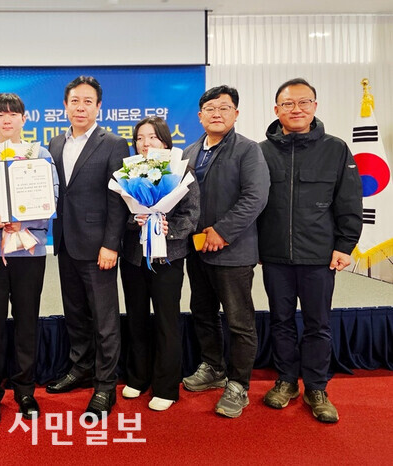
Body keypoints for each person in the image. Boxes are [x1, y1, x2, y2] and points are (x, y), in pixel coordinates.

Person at [258, 78, 363, 423]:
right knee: (281, 321)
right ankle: (286, 380)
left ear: (315, 107)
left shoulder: (336, 149)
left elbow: (349, 201)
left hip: (319, 256)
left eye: (304, 102)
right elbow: (253, 204)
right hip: (275, 256)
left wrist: (345, 245)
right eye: (288, 104)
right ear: (277, 110)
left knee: (318, 324)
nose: (296, 109)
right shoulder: (261, 152)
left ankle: (317, 388)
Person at [182, 85, 270, 418]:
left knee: (239, 321)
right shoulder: (189, 152)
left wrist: (223, 231)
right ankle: (213, 368)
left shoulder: (248, 150)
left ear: (236, 113)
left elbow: (255, 197)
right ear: (200, 115)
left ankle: (238, 385)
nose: (216, 114)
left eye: (224, 108)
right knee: (202, 312)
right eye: (210, 108)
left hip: (233, 251)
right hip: (197, 249)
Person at [0, 93, 59, 427]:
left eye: (13, 114)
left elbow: (52, 197)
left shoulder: (40, 155)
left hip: (28, 249)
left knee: (27, 321)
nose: (6, 119)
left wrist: (24, 220)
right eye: (0, 114)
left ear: (24, 119)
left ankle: (25, 390)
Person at [45, 76, 129, 419]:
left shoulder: (114, 144)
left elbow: (118, 200)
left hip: (99, 249)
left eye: (88, 102)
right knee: (75, 314)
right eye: (75, 101)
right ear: (65, 106)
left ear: (99, 107)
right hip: (66, 243)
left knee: (104, 320)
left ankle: (106, 385)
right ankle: (80, 368)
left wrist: (111, 244)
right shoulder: (54, 143)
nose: (81, 107)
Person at [119, 117, 199, 411]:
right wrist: (135, 219)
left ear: (165, 141)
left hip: (168, 257)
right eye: (140, 138)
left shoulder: (181, 170)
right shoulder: (128, 171)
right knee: (136, 317)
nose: (146, 143)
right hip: (133, 257)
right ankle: (138, 377)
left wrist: (169, 228)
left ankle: (166, 386)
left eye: (152, 137)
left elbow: (192, 214)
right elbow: (119, 214)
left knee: (167, 319)